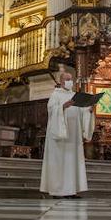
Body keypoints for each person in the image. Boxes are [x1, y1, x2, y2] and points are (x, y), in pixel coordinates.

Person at [40, 70, 93, 198]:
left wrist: (89, 111)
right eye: (67, 79)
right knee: (60, 162)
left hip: (73, 135)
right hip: (60, 136)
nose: (69, 82)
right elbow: (51, 110)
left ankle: (71, 190)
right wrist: (63, 107)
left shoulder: (75, 96)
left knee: (72, 162)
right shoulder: (56, 95)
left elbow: (81, 113)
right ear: (61, 81)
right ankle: (58, 191)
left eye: (71, 79)